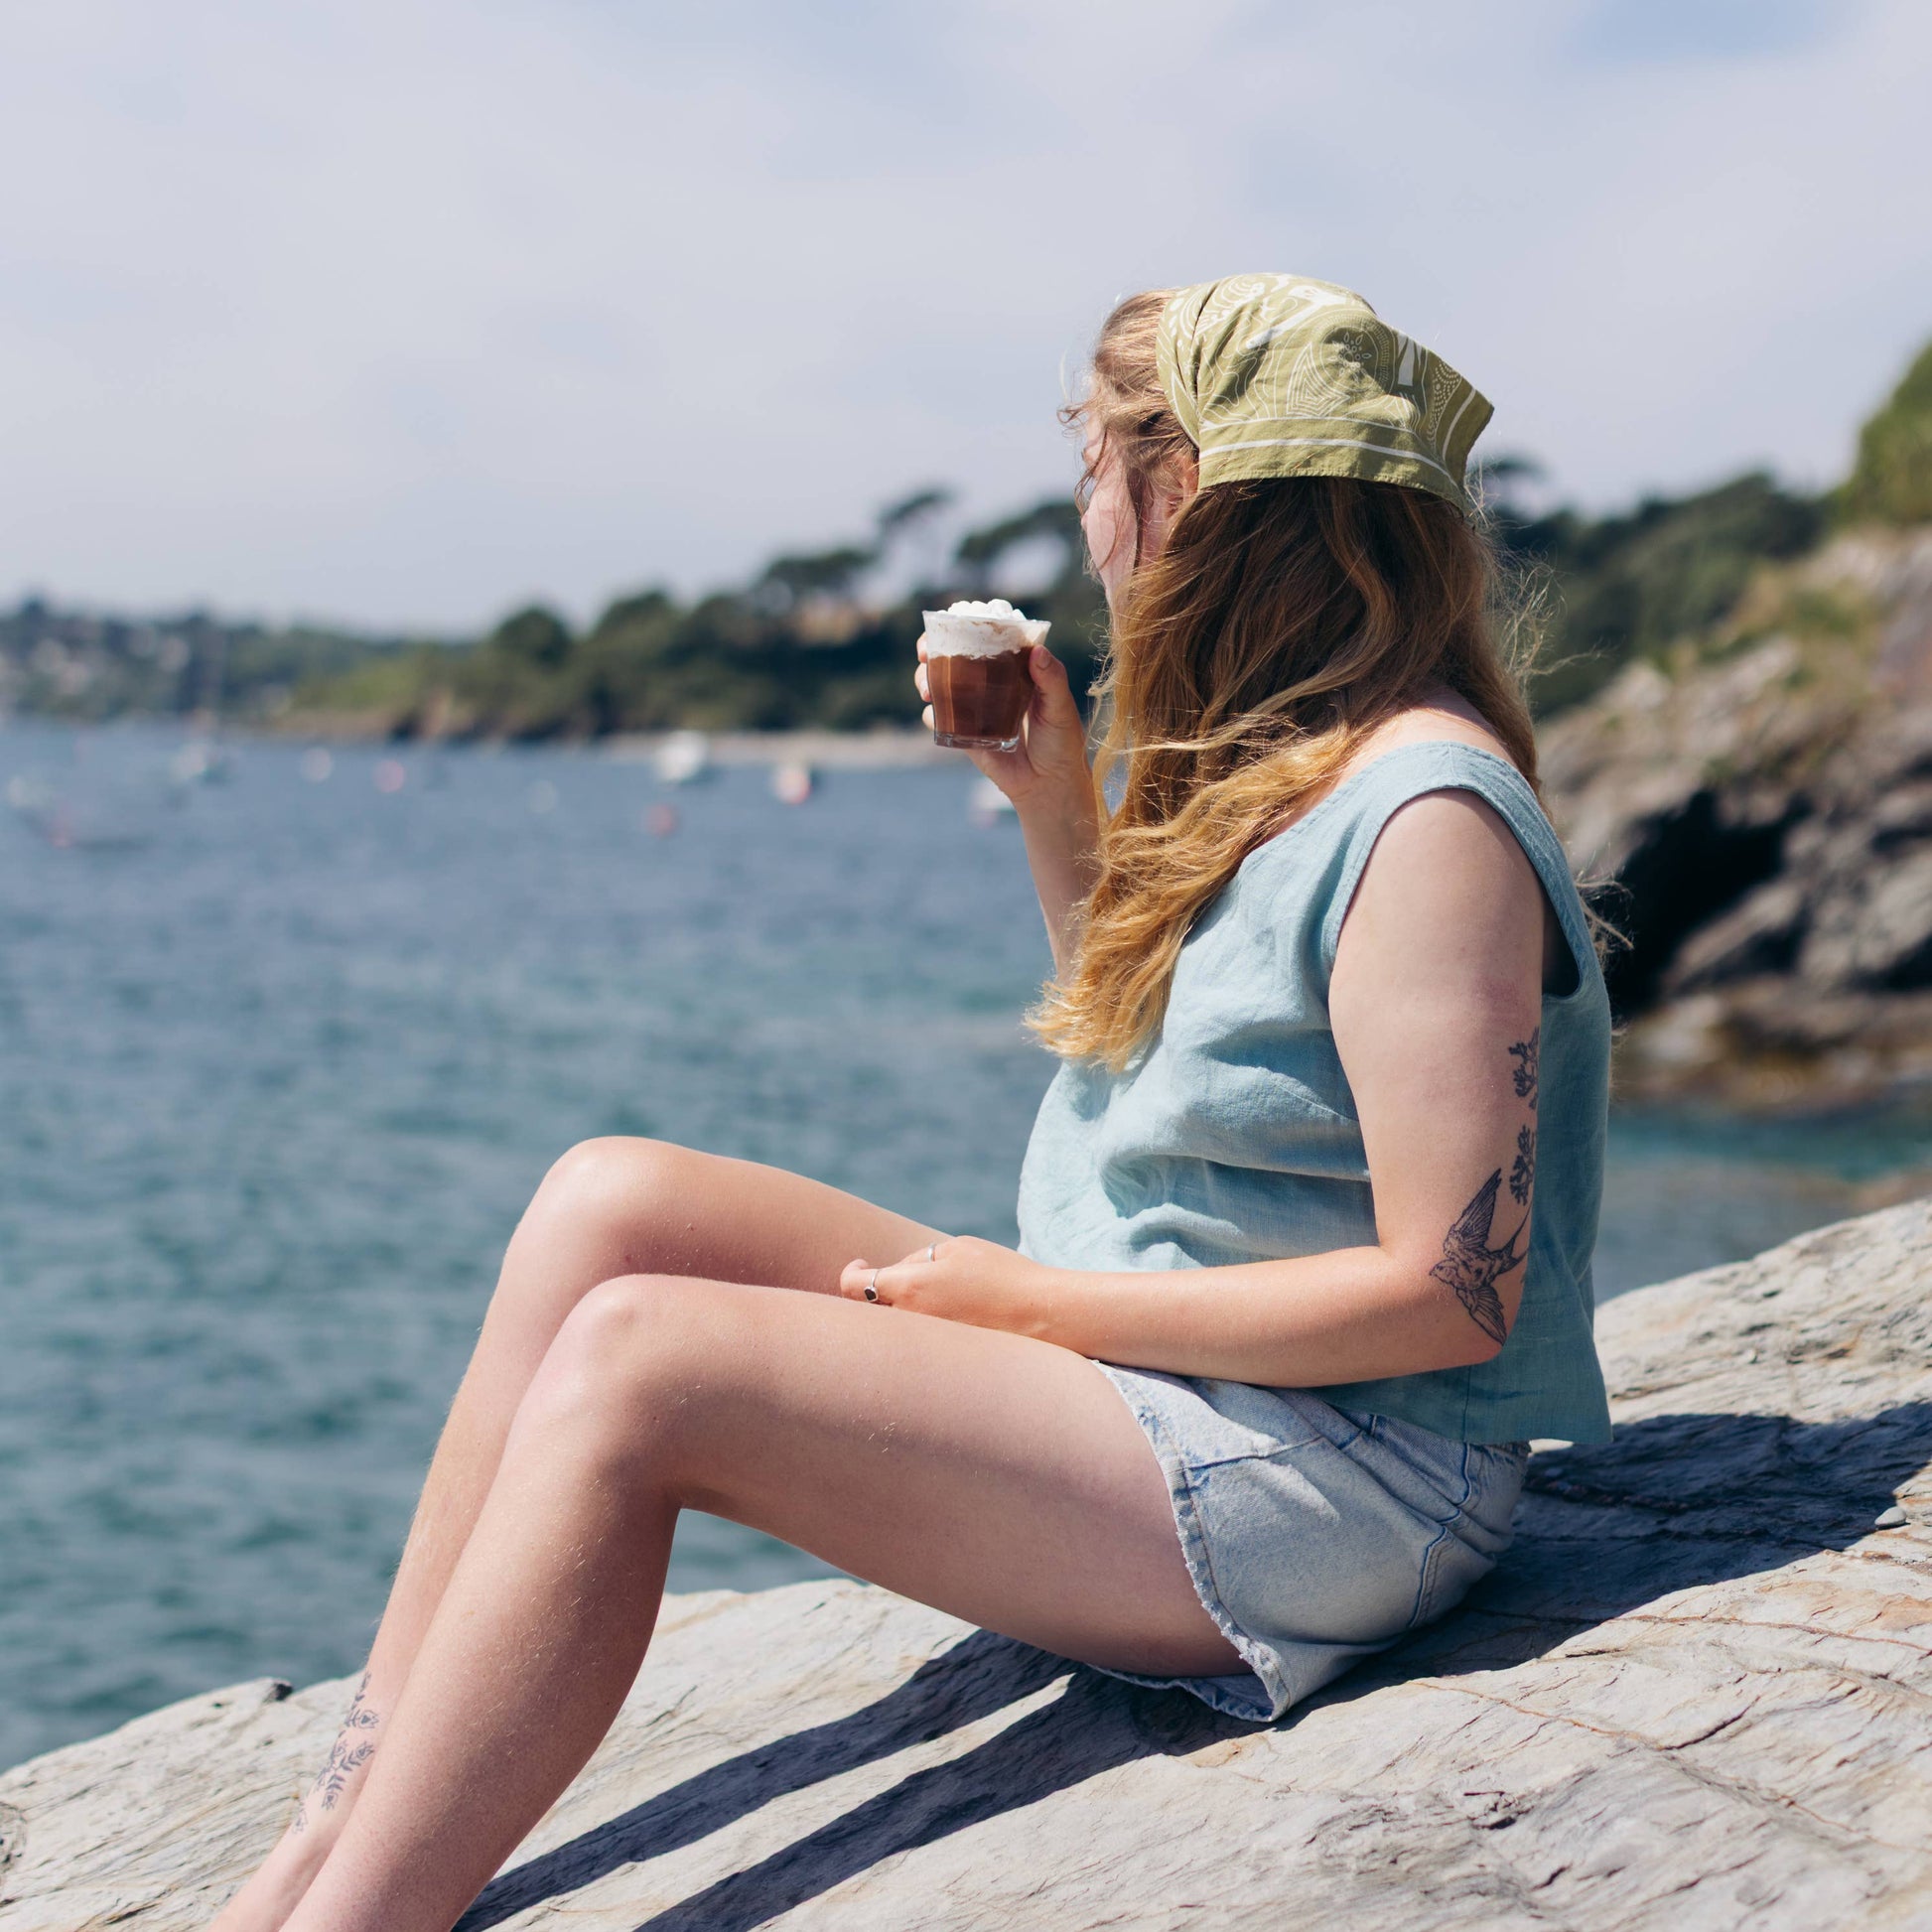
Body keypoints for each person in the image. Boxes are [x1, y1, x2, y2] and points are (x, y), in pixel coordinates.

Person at [214, 274, 1613, 1932]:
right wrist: (1054, 802)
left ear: (1195, 500)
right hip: (1186, 1371)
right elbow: (1184, 1070)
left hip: (1343, 1474)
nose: (1083, 519)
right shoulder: (1278, 759)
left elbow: (1451, 1297)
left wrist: (1020, 1305)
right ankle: (332, 1822)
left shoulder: (1423, 813)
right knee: (606, 1198)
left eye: (1097, 466)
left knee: (640, 1365)